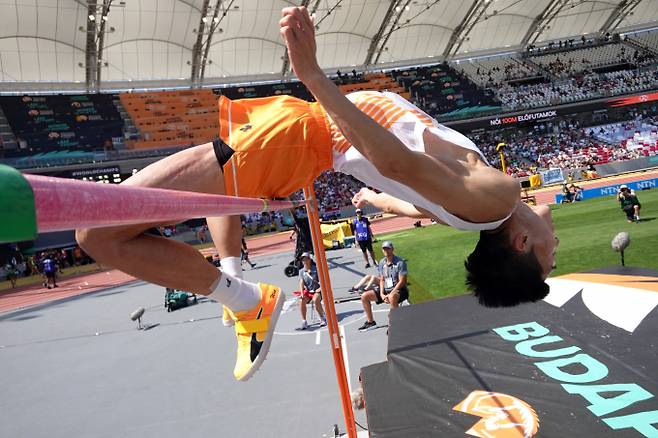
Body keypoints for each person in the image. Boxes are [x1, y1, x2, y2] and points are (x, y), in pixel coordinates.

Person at [75, 6, 557, 381]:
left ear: (519, 244)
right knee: (208, 194)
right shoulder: (474, 217)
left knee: (97, 232)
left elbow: (397, 163)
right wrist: (374, 201)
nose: (555, 243)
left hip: (303, 135)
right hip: (302, 138)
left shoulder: (497, 197)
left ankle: (243, 299)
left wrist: (312, 73)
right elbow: (408, 200)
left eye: (549, 255)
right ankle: (235, 283)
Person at [358, 241, 408, 332]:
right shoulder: (381, 262)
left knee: (392, 297)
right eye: (384, 249)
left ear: (392, 249)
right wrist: (381, 294)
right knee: (365, 296)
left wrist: (391, 293)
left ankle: (394, 325)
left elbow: (402, 281)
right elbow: (382, 279)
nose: (386, 251)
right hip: (386, 289)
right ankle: (370, 322)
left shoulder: (400, 262)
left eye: (388, 248)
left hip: (400, 290)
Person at [296, 252, 326, 330]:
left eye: (306, 259)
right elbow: (301, 282)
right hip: (309, 292)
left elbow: (322, 281)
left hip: (318, 291)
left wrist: (319, 289)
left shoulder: (316, 269)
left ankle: (322, 317)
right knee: (301, 300)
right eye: (303, 260)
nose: (304, 261)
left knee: (316, 299)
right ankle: (304, 321)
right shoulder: (301, 271)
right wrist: (302, 293)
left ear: (310, 259)